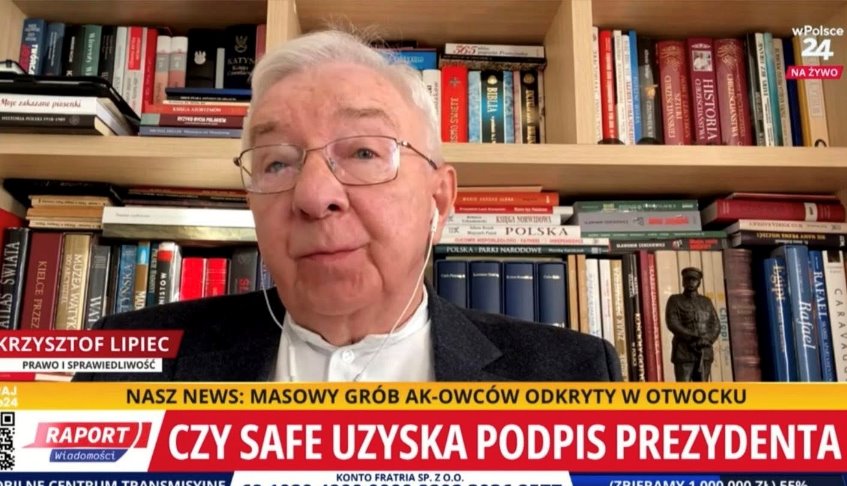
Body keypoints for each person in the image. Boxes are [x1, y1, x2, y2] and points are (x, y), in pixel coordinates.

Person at [74, 30, 621, 382]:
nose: (314, 197)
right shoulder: (124, 360)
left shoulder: (572, 376)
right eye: (277, 163)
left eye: (363, 152)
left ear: (439, 199)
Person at [665, 267, 721, 382]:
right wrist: (693, 336)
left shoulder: (706, 301)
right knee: (683, 387)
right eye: (687, 279)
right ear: (683, 281)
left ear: (699, 282)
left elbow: (716, 325)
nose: (690, 282)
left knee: (702, 387)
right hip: (684, 351)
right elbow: (672, 323)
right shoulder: (675, 300)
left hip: (704, 351)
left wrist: (708, 340)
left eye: (694, 280)